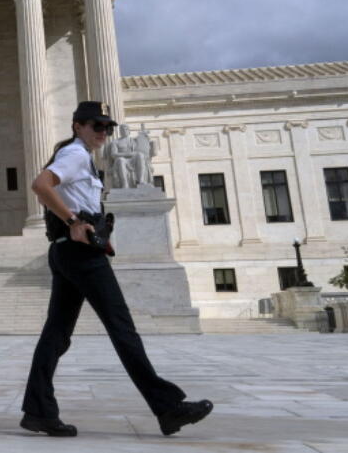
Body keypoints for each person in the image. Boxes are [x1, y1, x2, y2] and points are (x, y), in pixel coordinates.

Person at [21, 101, 212, 438]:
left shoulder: (81, 157)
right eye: (97, 126)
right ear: (77, 125)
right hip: (81, 254)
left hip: (68, 253)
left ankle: (38, 411)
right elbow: (41, 185)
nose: (104, 133)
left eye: (107, 127)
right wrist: (74, 220)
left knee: (56, 335)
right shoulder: (76, 155)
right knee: (122, 329)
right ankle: (167, 407)